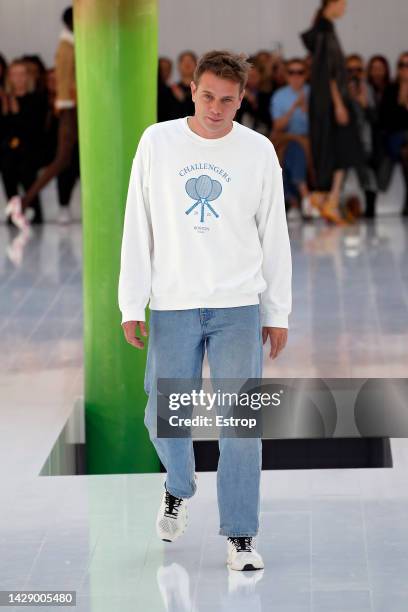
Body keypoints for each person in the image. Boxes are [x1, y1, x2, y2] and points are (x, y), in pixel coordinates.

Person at [118, 49, 292, 571]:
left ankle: (240, 534)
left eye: (229, 100)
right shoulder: (158, 142)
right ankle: (179, 484)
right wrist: (132, 301)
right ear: (192, 89)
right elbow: (137, 223)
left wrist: (276, 311)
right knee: (162, 415)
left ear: (242, 100)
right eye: (209, 96)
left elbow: (275, 233)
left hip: (237, 304)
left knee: (241, 425)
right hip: (172, 303)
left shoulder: (258, 151)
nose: (217, 108)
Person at [5, 6, 77, 228]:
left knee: (63, 160)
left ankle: (23, 201)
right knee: (62, 160)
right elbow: (66, 81)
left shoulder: (69, 44)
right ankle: (23, 201)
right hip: (70, 109)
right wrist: (67, 106)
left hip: (71, 107)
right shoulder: (67, 46)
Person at [301, 0, 365, 225]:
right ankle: (328, 198)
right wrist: (338, 104)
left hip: (326, 101)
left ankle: (329, 198)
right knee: (344, 144)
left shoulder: (323, 27)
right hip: (331, 102)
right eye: (343, 3)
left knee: (339, 146)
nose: (345, 8)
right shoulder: (325, 30)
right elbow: (329, 71)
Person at [0, 59, 47, 224]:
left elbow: (33, 128)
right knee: (7, 162)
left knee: (25, 163)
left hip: (33, 147)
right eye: (14, 74)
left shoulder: (37, 98)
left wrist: (15, 111)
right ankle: (14, 207)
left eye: (22, 74)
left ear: (28, 77)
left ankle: (31, 207)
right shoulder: (5, 100)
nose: (18, 78)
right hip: (11, 148)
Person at [270, 57, 315, 219]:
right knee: (292, 150)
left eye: (300, 72)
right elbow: (277, 126)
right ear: (287, 75)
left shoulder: (314, 93)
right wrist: (293, 109)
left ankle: (295, 201)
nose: (296, 76)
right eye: (292, 72)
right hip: (287, 138)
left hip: (310, 140)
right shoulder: (279, 96)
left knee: (293, 151)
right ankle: (304, 195)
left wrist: (307, 110)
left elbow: (321, 124)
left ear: (306, 74)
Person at [345, 54, 378, 218]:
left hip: (366, 139)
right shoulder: (341, 89)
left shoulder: (367, 89)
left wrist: (364, 103)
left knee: (367, 166)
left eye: (358, 69)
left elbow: (375, 119)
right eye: (350, 70)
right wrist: (348, 99)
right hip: (347, 139)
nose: (354, 73)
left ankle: (370, 203)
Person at [380, 51, 408, 216]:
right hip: (395, 139)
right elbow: (387, 122)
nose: (405, 69)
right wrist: (400, 100)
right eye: (402, 65)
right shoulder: (390, 90)